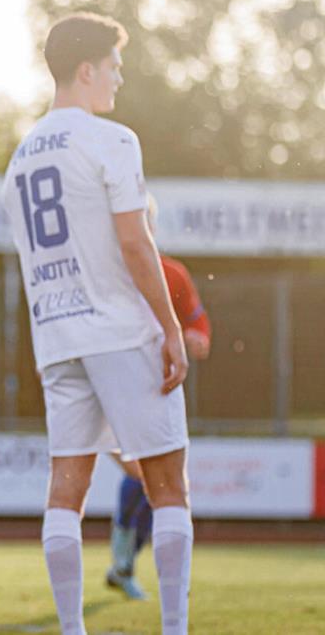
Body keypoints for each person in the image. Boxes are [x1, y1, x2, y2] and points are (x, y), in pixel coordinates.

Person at [2, 13, 193, 635]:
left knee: (66, 491)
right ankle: (174, 628)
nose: (118, 76)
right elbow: (136, 245)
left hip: (57, 335)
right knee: (168, 487)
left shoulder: (21, 156)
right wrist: (169, 327)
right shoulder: (112, 139)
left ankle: (71, 630)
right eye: (113, 65)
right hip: (119, 330)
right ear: (87, 69)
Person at [105, 194, 212, 600]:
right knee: (145, 477)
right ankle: (126, 561)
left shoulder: (172, 273)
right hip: (112, 387)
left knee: (158, 483)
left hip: (157, 389)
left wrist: (197, 337)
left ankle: (124, 562)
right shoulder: (105, 271)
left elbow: (197, 320)